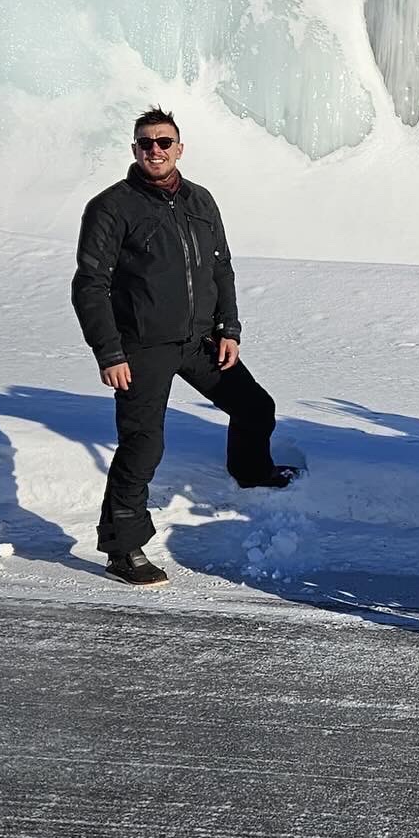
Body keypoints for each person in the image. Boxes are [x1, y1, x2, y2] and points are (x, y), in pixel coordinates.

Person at [71, 107, 296, 587]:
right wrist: (109, 352)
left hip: (199, 340)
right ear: (134, 149)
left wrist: (229, 328)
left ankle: (251, 473)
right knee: (143, 444)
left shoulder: (200, 200)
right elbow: (90, 285)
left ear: (179, 148)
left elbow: (221, 268)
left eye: (164, 142)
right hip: (142, 347)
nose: (155, 150)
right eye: (146, 143)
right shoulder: (112, 206)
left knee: (255, 407)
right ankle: (122, 548)